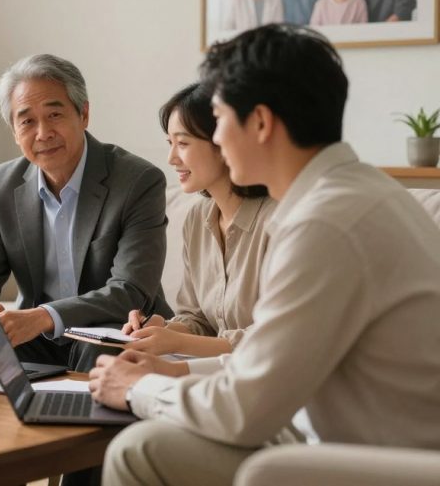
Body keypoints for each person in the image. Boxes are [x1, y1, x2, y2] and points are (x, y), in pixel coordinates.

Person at [89, 24, 440, 486]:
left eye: (218, 119)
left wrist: (139, 388)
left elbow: (244, 410)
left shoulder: (325, 224)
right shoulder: (356, 194)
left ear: (259, 122)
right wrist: (173, 371)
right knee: (147, 445)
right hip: (342, 435)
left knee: (139, 451)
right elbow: (269, 361)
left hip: (380, 462)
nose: (215, 137)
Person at [0, 53, 173, 373]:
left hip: (116, 329)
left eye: (54, 115)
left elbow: (129, 290)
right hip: (39, 337)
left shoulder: (137, 181)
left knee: (98, 356)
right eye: (27, 121)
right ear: (14, 130)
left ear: (83, 114)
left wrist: (42, 317)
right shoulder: (0, 184)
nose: (43, 133)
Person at [119, 82, 274, 358]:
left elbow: (273, 339)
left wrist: (176, 343)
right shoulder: (198, 217)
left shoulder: (277, 220)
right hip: (216, 375)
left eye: (183, 143)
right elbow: (198, 319)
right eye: (170, 144)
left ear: (225, 142)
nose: (171, 158)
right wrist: (162, 329)